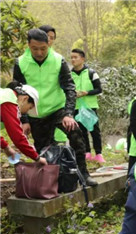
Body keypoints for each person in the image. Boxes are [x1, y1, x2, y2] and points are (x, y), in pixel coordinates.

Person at [13, 28, 97, 186]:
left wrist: (69, 114)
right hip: (35, 113)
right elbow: (18, 93)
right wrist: (24, 119)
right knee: (43, 150)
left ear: (49, 44)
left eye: (43, 48)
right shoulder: (21, 62)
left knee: (76, 134)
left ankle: (83, 174)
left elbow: (69, 87)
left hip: (58, 110)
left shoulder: (59, 60)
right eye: (35, 48)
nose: (39, 52)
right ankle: (51, 181)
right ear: (28, 45)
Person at [70, 48, 104, 163]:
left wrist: (87, 93)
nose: (73, 60)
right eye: (71, 57)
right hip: (76, 107)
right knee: (81, 131)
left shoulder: (91, 73)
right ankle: (87, 152)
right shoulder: (69, 75)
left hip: (90, 106)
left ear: (82, 59)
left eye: (75, 57)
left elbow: (99, 89)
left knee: (94, 130)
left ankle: (99, 153)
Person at [0, 82, 47, 165]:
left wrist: (6, 147)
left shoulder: (5, 96)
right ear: (25, 98)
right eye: (29, 108)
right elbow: (17, 137)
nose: (26, 112)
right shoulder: (9, 102)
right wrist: (37, 158)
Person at [39, 24, 67, 144]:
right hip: (38, 111)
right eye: (47, 36)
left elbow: (66, 84)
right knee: (43, 144)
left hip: (56, 108)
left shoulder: (58, 59)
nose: (50, 40)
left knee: (61, 143)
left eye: (52, 37)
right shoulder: (25, 60)